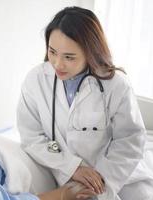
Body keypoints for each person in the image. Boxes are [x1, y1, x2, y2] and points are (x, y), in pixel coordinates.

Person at [17, 6, 153, 200]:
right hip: (63, 173)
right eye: (52, 52)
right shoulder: (36, 79)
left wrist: (100, 181)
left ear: (90, 52)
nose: (57, 64)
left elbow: (129, 140)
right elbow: (32, 136)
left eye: (69, 57)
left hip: (118, 176)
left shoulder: (116, 85)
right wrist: (72, 167)